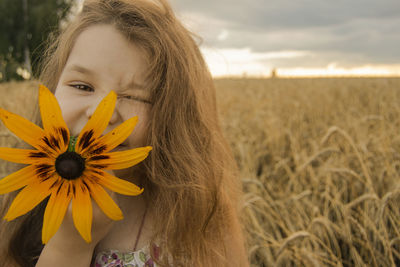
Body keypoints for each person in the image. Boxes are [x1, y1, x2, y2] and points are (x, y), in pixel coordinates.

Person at [0, 0, 249, 266]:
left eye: (134, 96)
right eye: (82, 86)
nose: (101, 113)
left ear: (173, 116)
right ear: (51, 89)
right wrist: (68, 246)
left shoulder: (199, 214)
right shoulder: (16, 204)